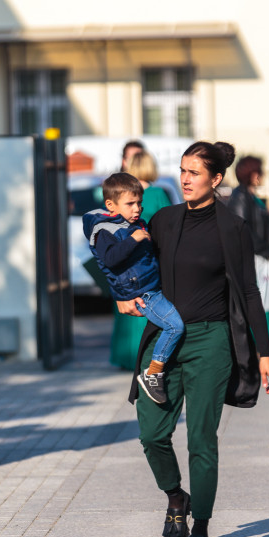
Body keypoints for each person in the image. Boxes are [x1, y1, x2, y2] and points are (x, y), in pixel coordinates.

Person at [119, 141, 269, 537]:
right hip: (163, 341)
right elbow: (129, 264)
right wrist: (122, 295)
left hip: (210, 340)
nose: (186, 179)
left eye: (195, 172)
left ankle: (201, 533)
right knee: (152, 433)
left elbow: (247, 290)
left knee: (202, 441)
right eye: (183, 171)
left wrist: (264, 352)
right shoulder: (164, 220)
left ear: (216, 178)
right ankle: (176, 498)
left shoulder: (232, 228)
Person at [83, 173, 184, 404]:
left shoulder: (131, 223)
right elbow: (110, 259)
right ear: (111, 205)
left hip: (150, 286)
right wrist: (135, 239)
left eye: (139, 203)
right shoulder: (106, 231)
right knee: (175, 326)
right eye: (130, 204)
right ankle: (153, 373)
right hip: (144, 293)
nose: (137, 209)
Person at [109, 150, 173, 371]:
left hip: (126, 261)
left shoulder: (123, 197)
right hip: (149, 261)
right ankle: (147, 357)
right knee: (149, 308)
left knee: (128, 309)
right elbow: (168, 230)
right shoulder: (158, 194)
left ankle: (126, 357)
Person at [228, 155, 269, 357]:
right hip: (253, 258)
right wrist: (267, 250)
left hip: (261, 255)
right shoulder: (240, 198)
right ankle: (258, 346)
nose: (262, 176)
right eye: (260, 172)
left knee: (268, 298)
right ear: (253, 174)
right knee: (259, 300)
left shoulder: (250, 196)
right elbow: (243, 231)